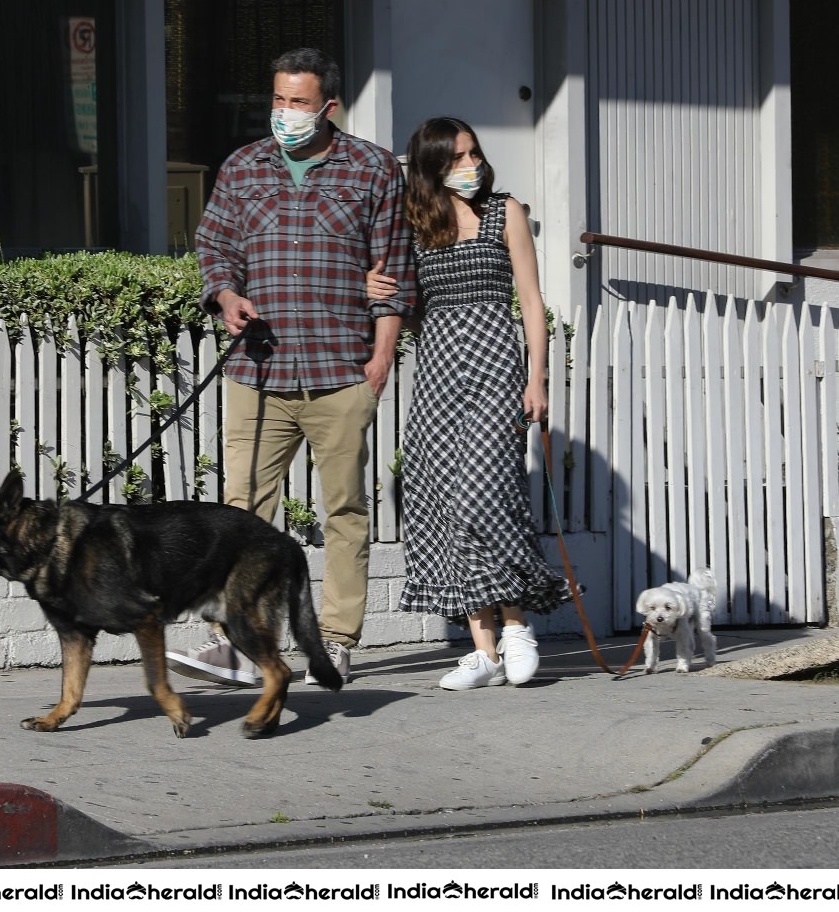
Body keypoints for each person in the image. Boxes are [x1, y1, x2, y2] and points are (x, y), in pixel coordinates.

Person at [173, 48, 414, 688]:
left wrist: (381, 357)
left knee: (343, 511)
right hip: (258, 371)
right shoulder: (244, 166)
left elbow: (394, 270)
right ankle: (237, 643)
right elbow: (214, 245)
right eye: (278, 99)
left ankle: (335, 641)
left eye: (298, 102)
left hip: (341, 369)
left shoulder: (372, 169)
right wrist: (225, 296)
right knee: (242, 510)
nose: (285, 113)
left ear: (328, 106)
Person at [365, 116, 569, 689]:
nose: (469, 165)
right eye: (455, 158)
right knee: (446, 501)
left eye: (473, 153)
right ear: (430, 166)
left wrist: (538, 379)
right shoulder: (415, 223)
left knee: (485, 494)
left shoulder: (508, 212)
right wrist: (373, 292)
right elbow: (407, 311)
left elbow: (530, 300)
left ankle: (518, 625)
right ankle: (483, 650)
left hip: (494, 363)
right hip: (437, 370)